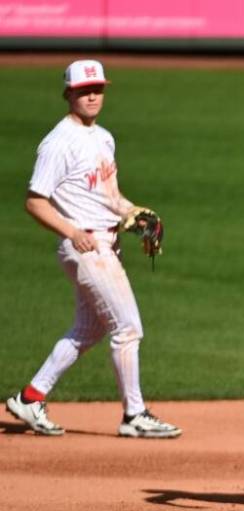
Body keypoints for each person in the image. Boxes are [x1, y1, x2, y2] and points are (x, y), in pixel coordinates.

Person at [5, 60, 181, 439]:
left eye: (97, 89)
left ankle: (31, 397)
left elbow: (111, 197)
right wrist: (71, 232)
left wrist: (135, 213)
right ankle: (134, 415)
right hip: (86, 246)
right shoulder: (58, 143)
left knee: (88, 330)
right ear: (68, 93)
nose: (92, 96)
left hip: (105, 243)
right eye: (84, 90)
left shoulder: (103, 138)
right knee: (128, 328)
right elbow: (35, 202)